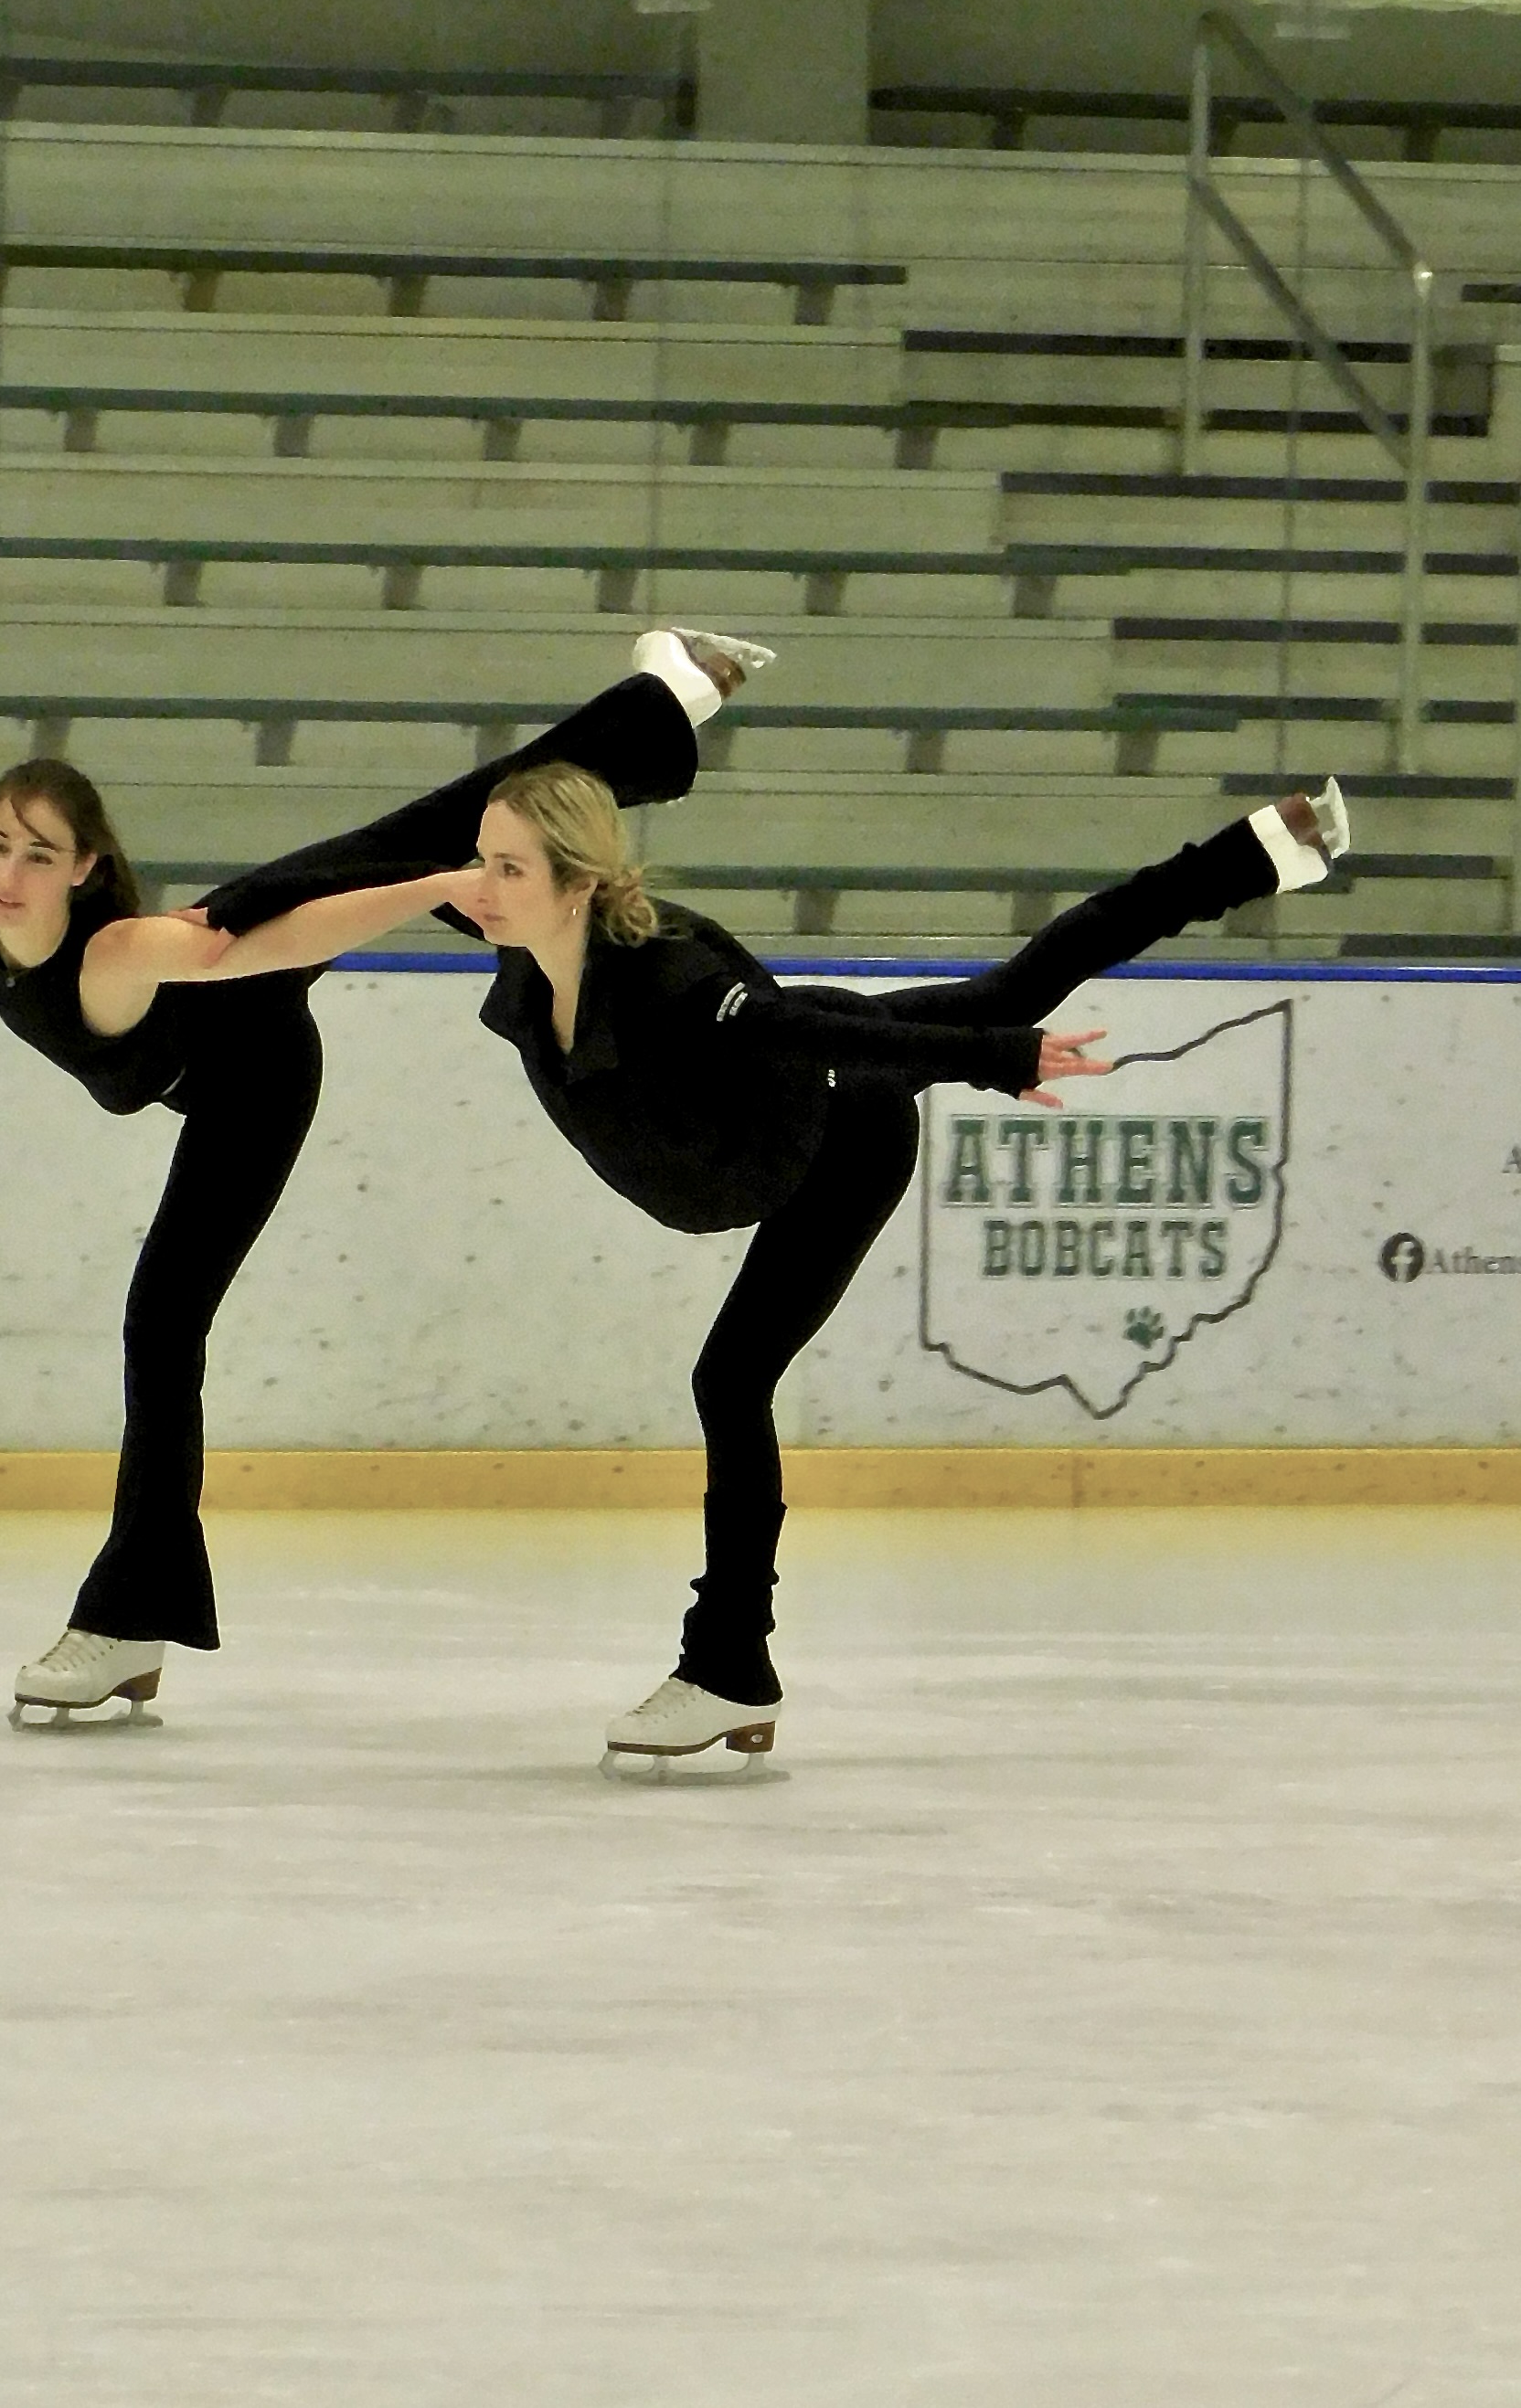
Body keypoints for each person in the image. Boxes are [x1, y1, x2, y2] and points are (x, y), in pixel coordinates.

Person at [205, 758, 1351, 1775]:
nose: (477, 885)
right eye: (481, 862)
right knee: (1005, 989)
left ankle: (729, 1665)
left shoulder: (677, 978)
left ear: (578, 882)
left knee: (731, 1376)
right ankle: (1266, 847)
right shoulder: (521, 933)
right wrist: (230, 915)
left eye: (505, 867)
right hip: (756, 1126)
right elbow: (375, 860)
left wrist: (995, 1062)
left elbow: (809, 1034)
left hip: (833, 1137)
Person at [0, 630, 767, 1726]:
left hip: (253, 1072)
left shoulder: (117, 951)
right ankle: (671, 694)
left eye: (39, 855)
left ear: (86, 870)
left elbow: (287, 940)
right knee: (405, 837)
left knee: (162, 1319)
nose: (8, 872)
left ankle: (123, 1620)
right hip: (213, 1046)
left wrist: (429, 887)